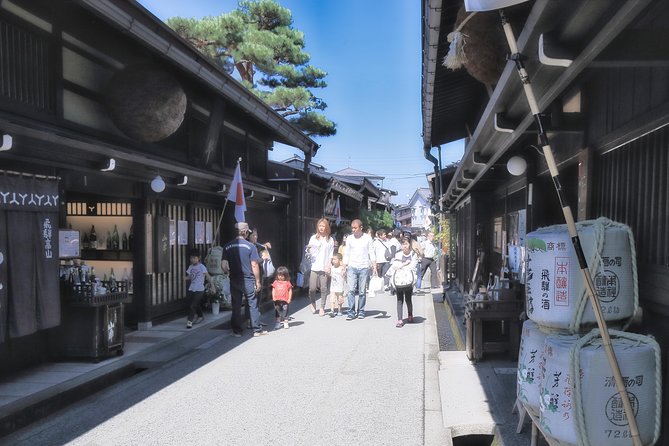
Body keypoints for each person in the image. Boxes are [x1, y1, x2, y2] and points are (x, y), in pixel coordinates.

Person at [221, 221, 267, 337]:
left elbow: (224, 266)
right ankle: (257, 330)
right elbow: (254, 265)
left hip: (234, 279)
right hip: (248, 279)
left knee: (236, 305)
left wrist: (230, 272)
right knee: (252, 303)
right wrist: (257, 281)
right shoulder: (251, 246)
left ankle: (237, 331)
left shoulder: (227, 246)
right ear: (245, 232)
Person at [343, 219, 376, 320]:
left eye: (355, 228)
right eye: (352, 228)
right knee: (351, 290)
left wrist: (374, 265)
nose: (353, 230)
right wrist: (344, 266)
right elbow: (347, 253)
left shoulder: (367, 238)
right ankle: (351, 311)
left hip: (364, 266)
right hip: (352, 266)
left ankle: (361, 311)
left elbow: (371, 251)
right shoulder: (349, 239)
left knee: (362, 291)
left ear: (361, 228)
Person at [306, 218, 335, 316]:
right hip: (314, 265)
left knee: (324, 288)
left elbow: (331, 254)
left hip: (324, 266)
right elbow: (308, 251)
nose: (321, 228)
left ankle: (322, 307)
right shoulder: (313, 237)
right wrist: (309, 250)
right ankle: (313, 302)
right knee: (312, 288)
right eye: (320, 226)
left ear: (326, 227)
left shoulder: (330, 240)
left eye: (323, 226)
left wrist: (329, 265)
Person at [390, 238, 418, 328]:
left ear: (409, 244)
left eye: (406, 244)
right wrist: (405, 264)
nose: (404, 246)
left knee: (408, 299)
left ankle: (410, 315)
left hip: (409, 280)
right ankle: (400, 320)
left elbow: (413, 267)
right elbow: (394, 266)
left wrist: (401, 266)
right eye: (403, 244)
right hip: (399, 280)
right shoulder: (398, 254)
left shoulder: (413, 254)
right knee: (399, 300)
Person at [185, 249, 212, 329]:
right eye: (191, 258)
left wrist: (212, 286)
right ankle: (200, 315)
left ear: (198, 258)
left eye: (194, 258)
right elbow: (190, 276)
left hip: (200, 289)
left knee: (193, 305)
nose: (192, 260)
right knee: (193, 304)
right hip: (191, 288)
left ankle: (189, 321)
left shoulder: (202, 267)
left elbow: (208, 277)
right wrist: (185, 278)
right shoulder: (190, 267)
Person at [329, 253, 346, 317]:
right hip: (333, 287)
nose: (333, 261)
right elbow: (331, 274)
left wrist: (344, 273)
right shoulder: (332, 268)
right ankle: (332, 310)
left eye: (335, 259)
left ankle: (339, 310)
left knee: (340, 299)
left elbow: (344, 276)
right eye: (333, 259)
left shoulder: (342, 268)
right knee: (332, 299)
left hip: (340, 287)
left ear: (340, 260)